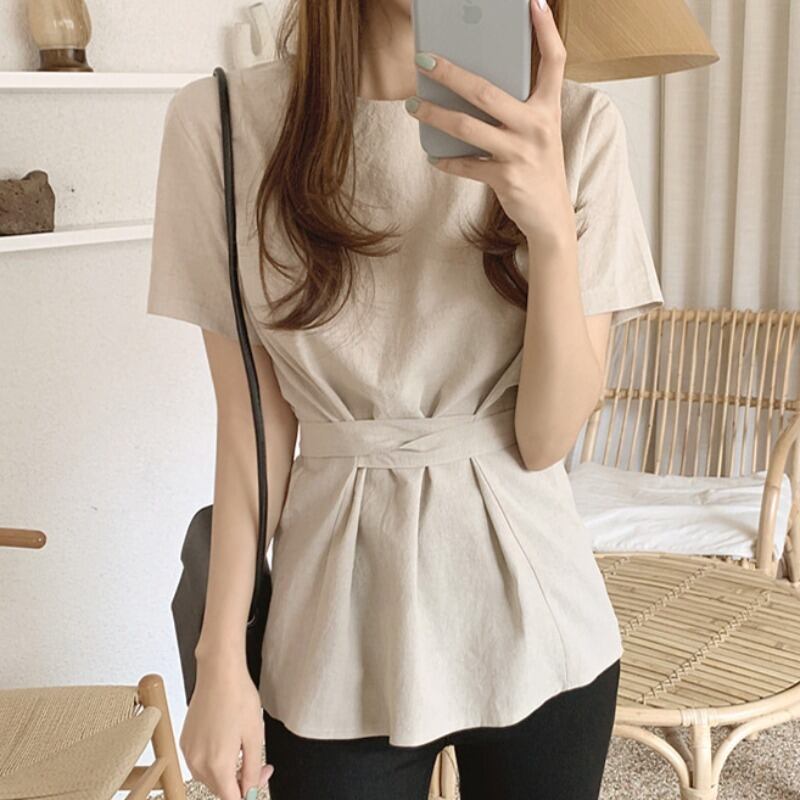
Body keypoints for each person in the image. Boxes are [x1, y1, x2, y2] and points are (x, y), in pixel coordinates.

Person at [146, 0, 664, 797]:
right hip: (332, 629)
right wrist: (220, 658)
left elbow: (546, 440)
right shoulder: (220, 123)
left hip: (540, 616)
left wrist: (552, 231)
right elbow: (252, 424)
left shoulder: (577, 127)